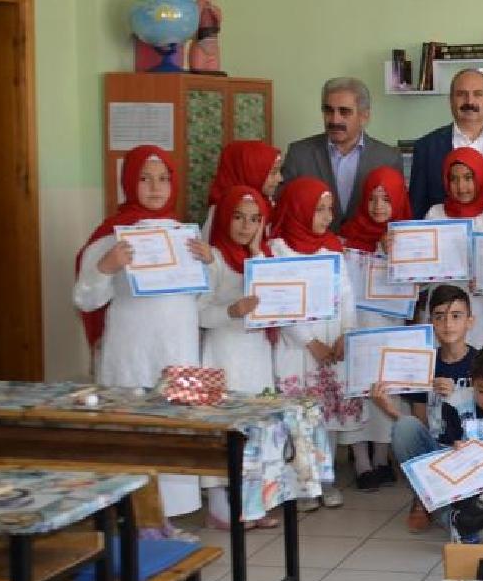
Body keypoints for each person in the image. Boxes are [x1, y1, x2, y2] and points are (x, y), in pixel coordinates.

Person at [74, 144, 212, 518]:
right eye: (145, 178)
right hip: (131, 349)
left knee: (177, 425)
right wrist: (106, 266)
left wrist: (209, 264)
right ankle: (132, 514)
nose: (155, 187)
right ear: (128, 182)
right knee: (132, 425)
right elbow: (85, 298)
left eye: (164, 178)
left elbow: (205, 301)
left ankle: (170, 515)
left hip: (179, 347)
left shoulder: (186, 236)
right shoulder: (111, 237)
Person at [382, 335, 483, 543]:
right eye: (482, 391)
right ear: (472, 383)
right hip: (471, 481)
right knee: (475, 506)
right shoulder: (455, 404)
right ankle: (459, 523)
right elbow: (447, 452)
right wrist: (455, 448)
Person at [267, 176, 360, 510]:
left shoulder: (332, 246)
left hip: (331, 344)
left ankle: (325, 478)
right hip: (297, 348)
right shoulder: (277, 249)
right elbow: (278, 301)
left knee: (326, 415)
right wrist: (310, 342)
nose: (327, 217)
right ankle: (301, 484)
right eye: (319, 209)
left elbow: (346, 294)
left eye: (329, 209)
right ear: (298, 209)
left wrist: (345, 333)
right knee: (298, 417)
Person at [198, 185, 279, 529]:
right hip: (222, 354)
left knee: (256, 425)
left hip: (256, 355)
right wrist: (231, 311)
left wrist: (257, 251)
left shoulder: (263, 258)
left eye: (255, 219)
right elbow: (199, 312)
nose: (246, 226)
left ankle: (254, 501)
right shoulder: (213, 259)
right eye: (238, 217)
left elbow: (276, 297)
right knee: (223, 425)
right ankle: (219, 502)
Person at [374, 284, 481, 532]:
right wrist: (389, 409)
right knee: (404, 426)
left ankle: (439, 505)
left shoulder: (482, 363)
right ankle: (430, 500)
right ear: (431, 323)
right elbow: (419, 424)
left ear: (470, 321)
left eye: (456, 316)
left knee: (468, 512)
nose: (448, 324)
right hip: (437, 452)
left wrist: (459, 395)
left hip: (470, 452)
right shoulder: (423, 364)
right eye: (439, 317)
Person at [339, 165, 415, 491]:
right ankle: (361, 461)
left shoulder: (409, 237)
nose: (378, 206)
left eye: (387, 199)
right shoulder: (347, 237)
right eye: (372, 198)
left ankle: (383, 458)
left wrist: (393, 253)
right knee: (359, 390)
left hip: (391, 327)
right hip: (358, 327)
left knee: (389, 388)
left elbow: (419, 284)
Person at [281, 78, 401, 232]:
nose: (334, 119)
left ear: (364, 116)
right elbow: (284, 208)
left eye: (344, 112)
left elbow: (396, 213)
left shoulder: (388, 158)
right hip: (314, 244)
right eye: (328, 111)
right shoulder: (299, 154)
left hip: (370, 244)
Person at [424, 147, 483, 349]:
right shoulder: (435, 214)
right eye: (454, 179)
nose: (461, 186)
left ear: (480, 177)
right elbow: (422, 265)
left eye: (468, 178)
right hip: (445, 307)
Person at [408, 68, 483, 217]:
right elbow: (417, 209)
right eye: (461, 94)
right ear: (450, 100)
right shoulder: (426, 147)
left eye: (478, 94)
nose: (469, 101)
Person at [204, 140, 282, 236]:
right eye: (273, 172)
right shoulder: (224, 211)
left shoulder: (267, 202)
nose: (280, 178)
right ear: (250, 172)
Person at [189, 0, 222, 73]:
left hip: (214, 49)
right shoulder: (193, 8)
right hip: (199, 47)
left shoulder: (216, 9)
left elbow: (218, 25)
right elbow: (190, 29)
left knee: (214, 79)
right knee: (198, 78)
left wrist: (213, 11)